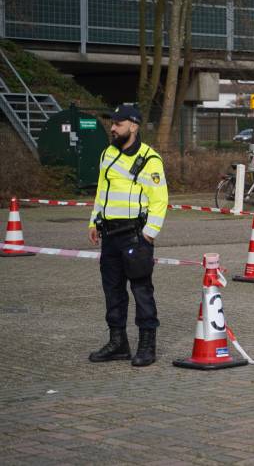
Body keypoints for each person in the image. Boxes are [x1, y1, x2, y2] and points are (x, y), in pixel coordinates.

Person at [87, 105, 168, 367]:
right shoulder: (107, 154)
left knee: (141, 290)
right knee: (112, 291)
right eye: (112, 123)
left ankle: (147, 346)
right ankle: (118, 343)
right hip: (109, 234)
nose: (112, 128)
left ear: (133, 126)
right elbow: (101, 191)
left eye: (118, 124)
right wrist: (94, 221)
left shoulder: (149, 159)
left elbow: (160, 200)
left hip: (135, 236)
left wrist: (149, 234)